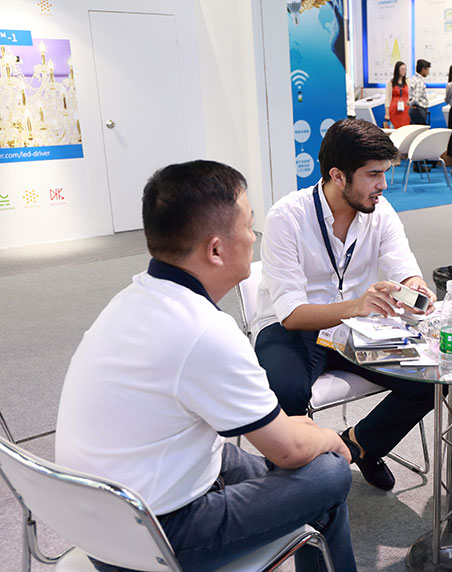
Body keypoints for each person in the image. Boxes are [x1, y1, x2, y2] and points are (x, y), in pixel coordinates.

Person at [54, 161, 357, 572]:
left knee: (307, 466)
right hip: (154, 538)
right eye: (249, 226)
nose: (253, 237)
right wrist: (325, 438)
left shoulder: (133, 299)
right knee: (330, 473)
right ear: (215, 250)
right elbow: (289, 451)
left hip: (103, 515)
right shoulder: (204, 331)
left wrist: (301, 436)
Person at [252, 118, 437, 492]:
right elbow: (291, 315)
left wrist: (415, 289)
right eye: (373, 175)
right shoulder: (287, 217)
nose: (383, 184)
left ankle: (358, 446)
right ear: (338, 176)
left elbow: (404, 267)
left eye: (385, 172)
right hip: (294, 328)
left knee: (432, 379)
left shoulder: (379, 210)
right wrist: (357, 305)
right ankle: (292, 484)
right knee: (284, 389)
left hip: (357, 327)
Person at [384, 60, 409, 129]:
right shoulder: (391, 82)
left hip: (405, 110)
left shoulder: (407, 81)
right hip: (394, 109)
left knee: (405, 128)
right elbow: (387, 98)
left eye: (405, 69)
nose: (404, 71)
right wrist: (387, 113)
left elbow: (410, 94)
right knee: (394, 128)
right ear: (397, 70)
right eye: (402, 69)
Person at [407, 58, 431, 125]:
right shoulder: (419, 82)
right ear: (423, 69)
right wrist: (410, 104)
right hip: (419, 111)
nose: (428, 73)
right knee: (422, 129)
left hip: (415, 111)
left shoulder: (413, 79)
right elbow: (416, 99)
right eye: (427, 70)